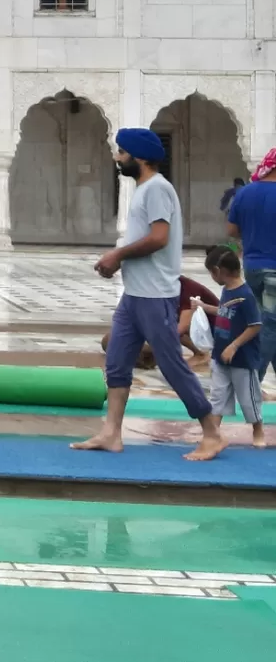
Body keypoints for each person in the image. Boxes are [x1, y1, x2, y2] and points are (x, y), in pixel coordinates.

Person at [74, 127, 222, 461]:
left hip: (155, 295)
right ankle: (111, 433)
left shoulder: (157, 189)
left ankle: (212, 433)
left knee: (171, 364)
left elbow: (159, 238)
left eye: (121, 153)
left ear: (138, 157)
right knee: (117, 361)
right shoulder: (143, 190)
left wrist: (118, 255)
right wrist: (119, 262)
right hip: (135, 294)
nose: (117, 158)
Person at [192, 245, 265, 448]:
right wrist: (205, 308)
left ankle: (258, 430)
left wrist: (234, 346)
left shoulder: (246, 295)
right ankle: (213, 433)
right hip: (220, 356)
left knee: (249, 398)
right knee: (218, 396)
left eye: (210, 273)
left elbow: (255, 325)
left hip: (242, 359)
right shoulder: (227, 291)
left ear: (218, 271)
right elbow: (225, 311)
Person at [227, 147, 276, 378]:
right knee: (269, 326)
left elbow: (232, 230)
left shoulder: (245, 193)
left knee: (265, 322)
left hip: (252, 267)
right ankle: (253, 379)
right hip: (274, 270)